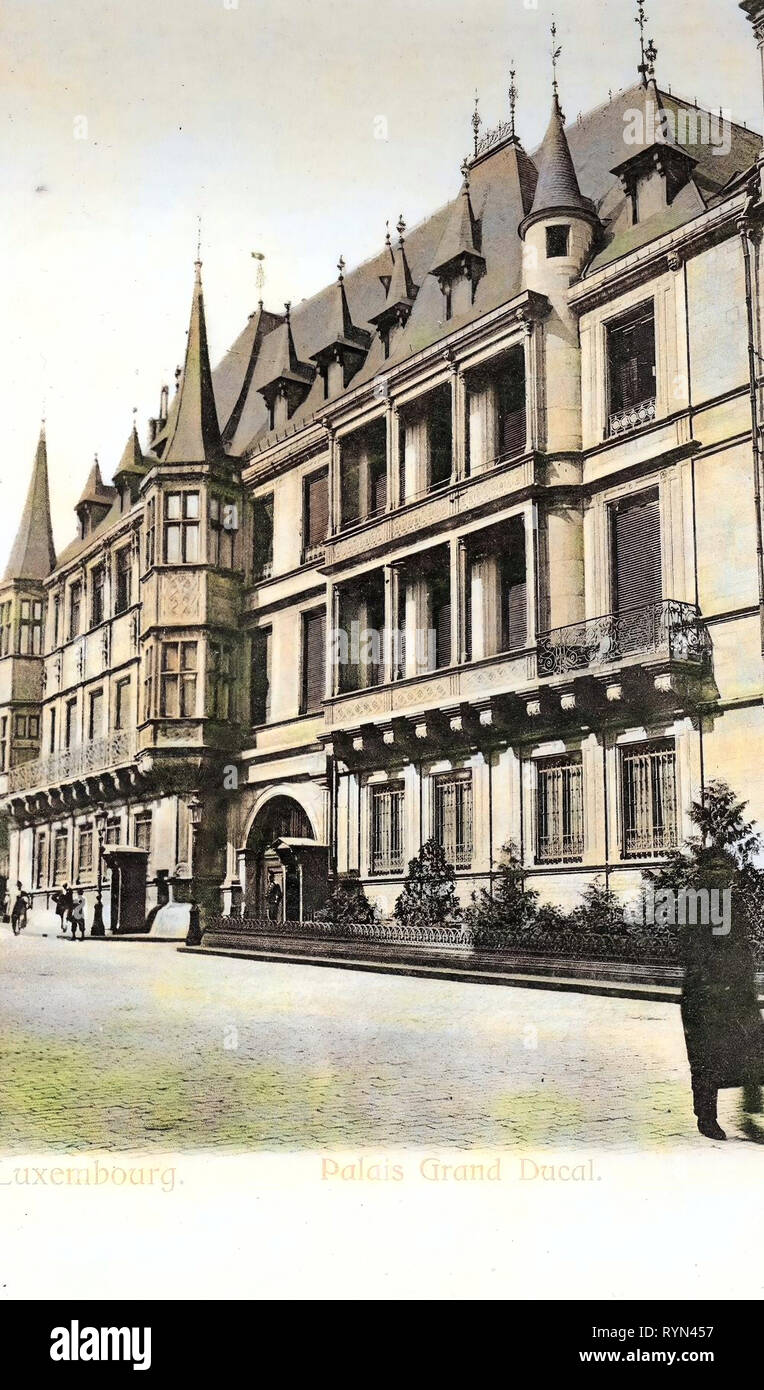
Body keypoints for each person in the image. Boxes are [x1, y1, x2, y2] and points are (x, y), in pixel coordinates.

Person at [680, 854, 764, 1140]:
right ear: (703, 872)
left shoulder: (734, 902)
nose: (723, 874)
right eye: (715, 869)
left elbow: (741, 946)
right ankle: (706, 1117)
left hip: (738, 993)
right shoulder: (693, 902)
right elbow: (691, 950)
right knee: (706, 1059)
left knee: (755, 1051)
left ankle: (751, 1114)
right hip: (704, 995)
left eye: (726, 869)